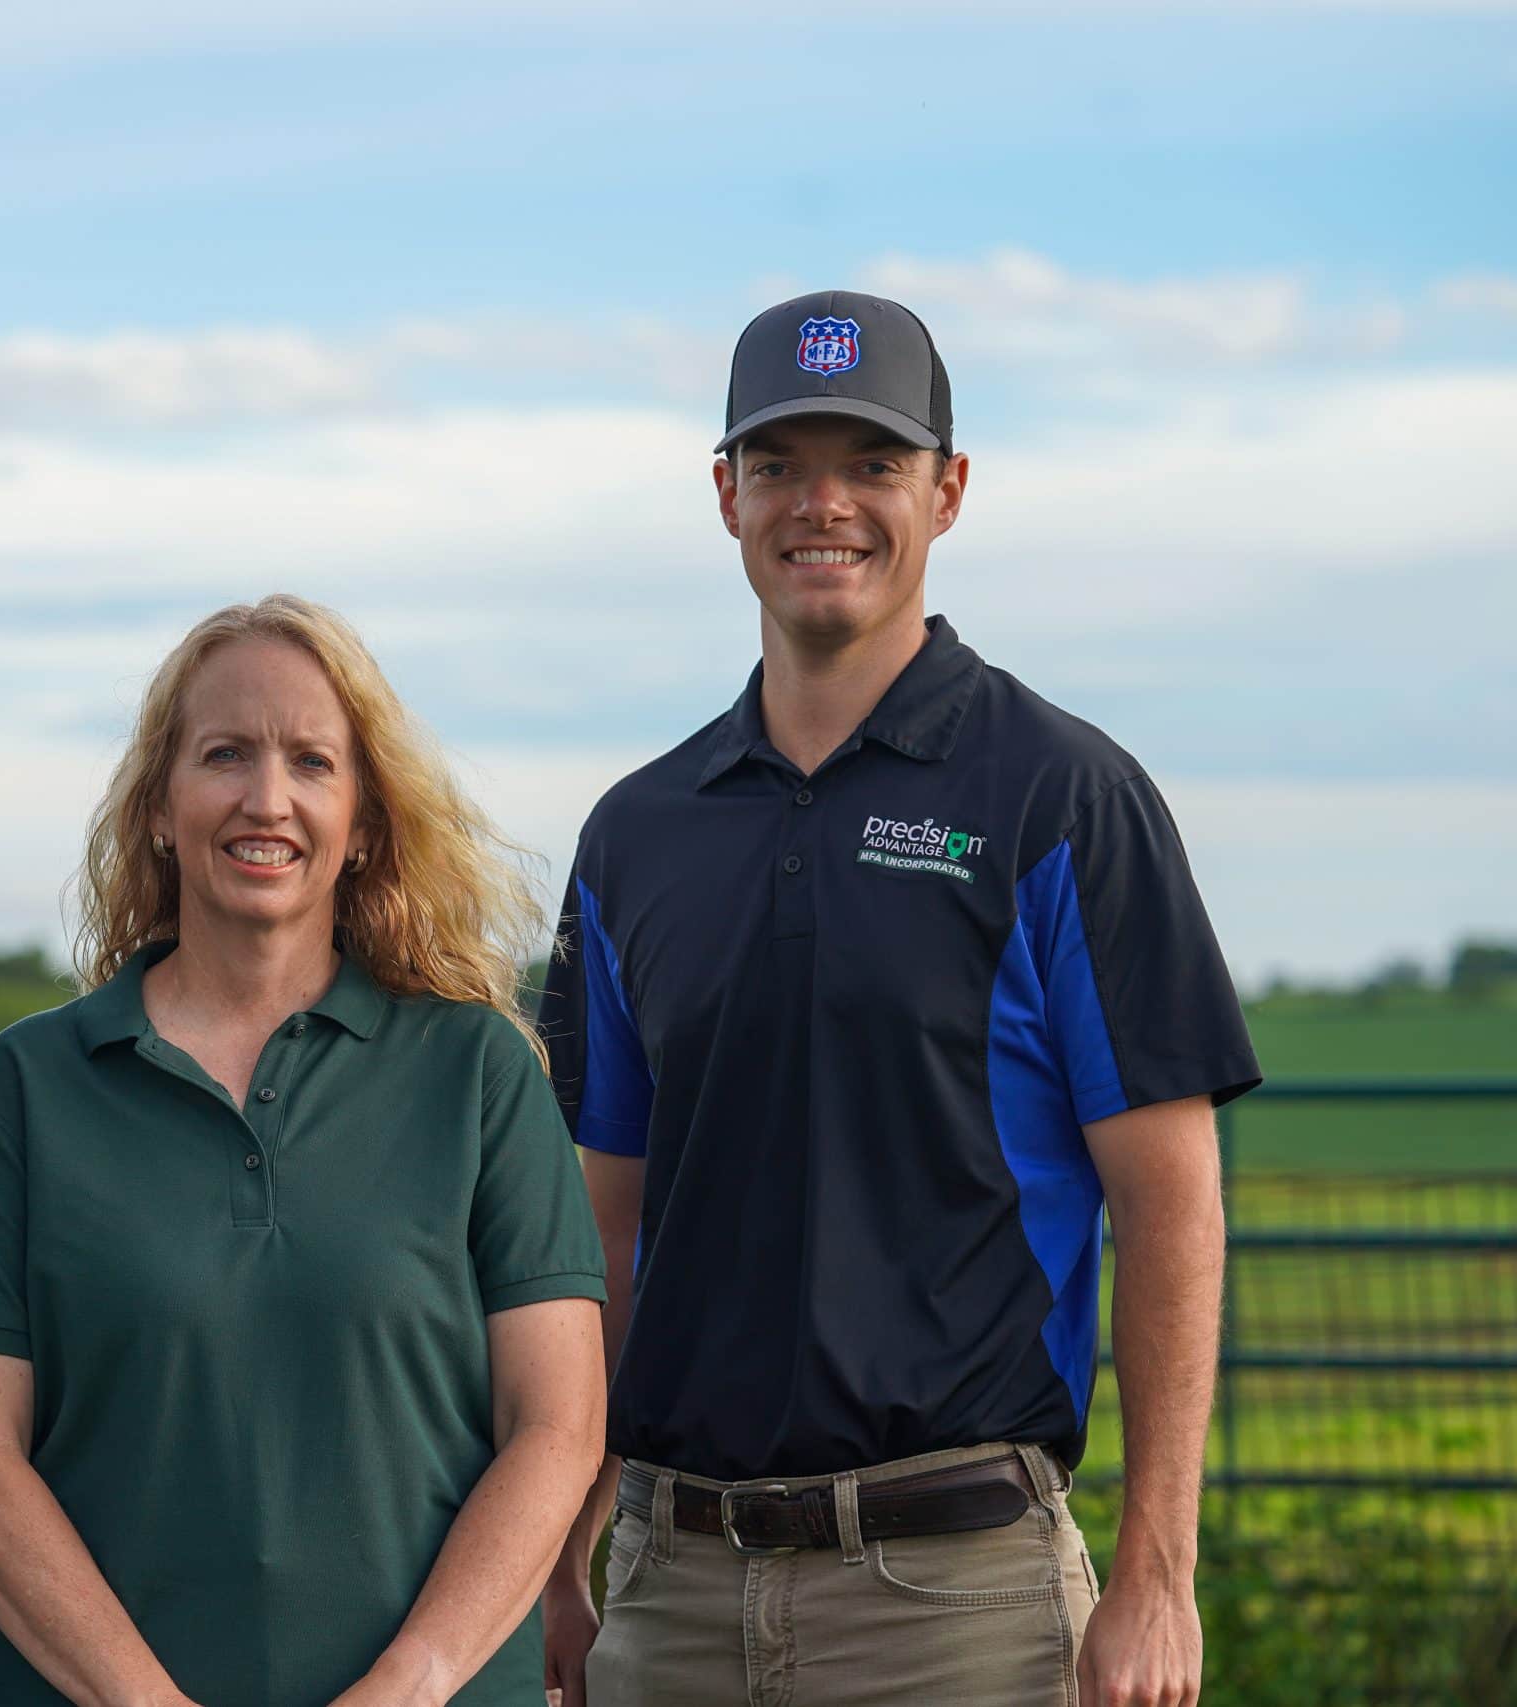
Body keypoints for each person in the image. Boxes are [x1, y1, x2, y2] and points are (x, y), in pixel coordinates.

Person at [536, 293, 1259, 1707]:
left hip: (957, 1602)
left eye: (871, 463)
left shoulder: (1064, 799)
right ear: (725, 493)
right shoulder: (635, 835)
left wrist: (1156, 1573)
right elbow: (603, 1232)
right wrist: (561, 1557)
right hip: (670, 1591)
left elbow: (1173, 1200)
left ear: (949, 489)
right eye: (783, 461)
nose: (826, 504)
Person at [0, 596, 608, 1706]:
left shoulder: (477, 1074)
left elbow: (557, 1429)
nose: (265, 799)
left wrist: (408, 1685)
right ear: (156, 807)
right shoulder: (29, 1089)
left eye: (311, 762)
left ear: (365, 819)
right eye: (223, 754)